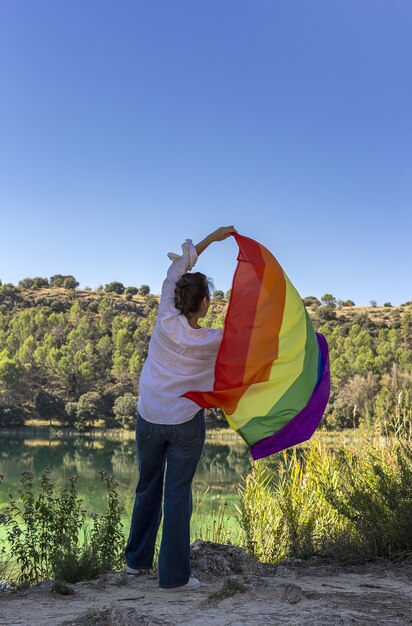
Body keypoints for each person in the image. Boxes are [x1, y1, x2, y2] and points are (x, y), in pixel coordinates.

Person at [124, 226, 236, 591]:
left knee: (147, 487)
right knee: (176, 497)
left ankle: (136, 563)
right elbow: (251, 340)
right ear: (204, 304)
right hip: (185, 423)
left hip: (149, 418)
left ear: (176, 299)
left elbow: (176, 272)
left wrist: (209, 240)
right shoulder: (214, 341)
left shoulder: (164, 318)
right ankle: (173, 578)